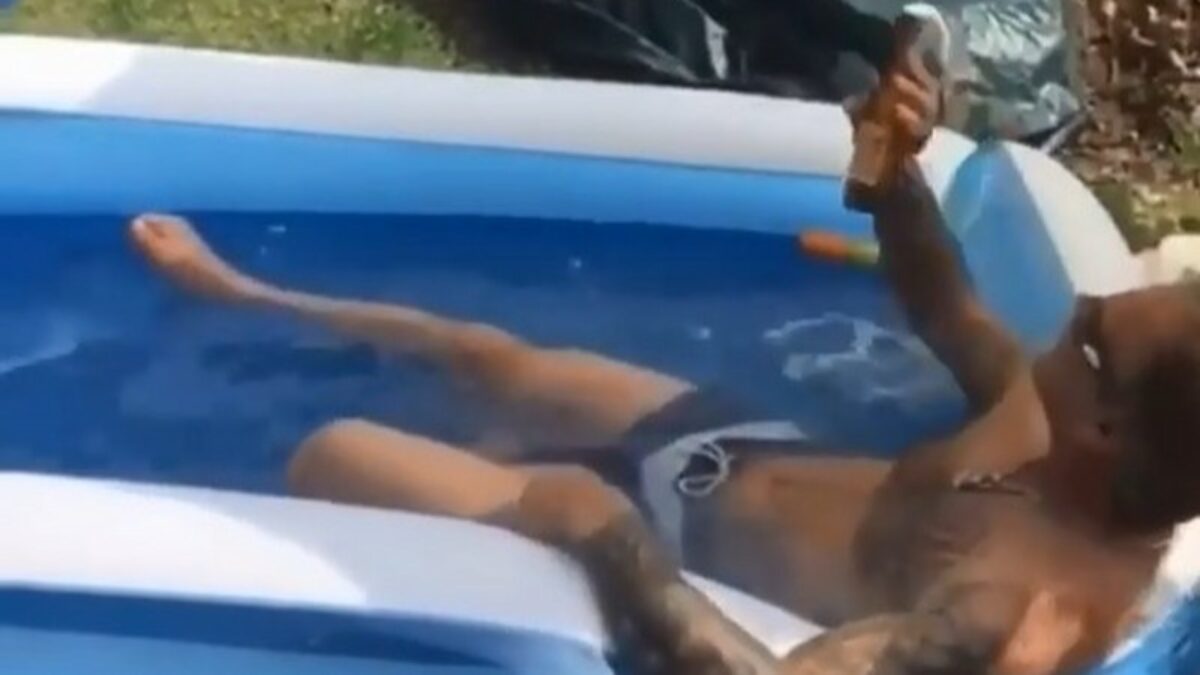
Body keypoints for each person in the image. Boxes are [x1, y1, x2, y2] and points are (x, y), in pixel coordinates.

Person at [129, 54, 1200, 675]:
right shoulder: (1046, 412)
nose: (1080, 303)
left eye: (1095, 330)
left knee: (334, 450)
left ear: (1107, 425)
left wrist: (611, 542)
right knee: (489, 355)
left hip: (661, 544)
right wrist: (897, 176)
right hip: (734, 448)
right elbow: (942, 301)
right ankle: (246, 293)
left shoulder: (1019, 607)